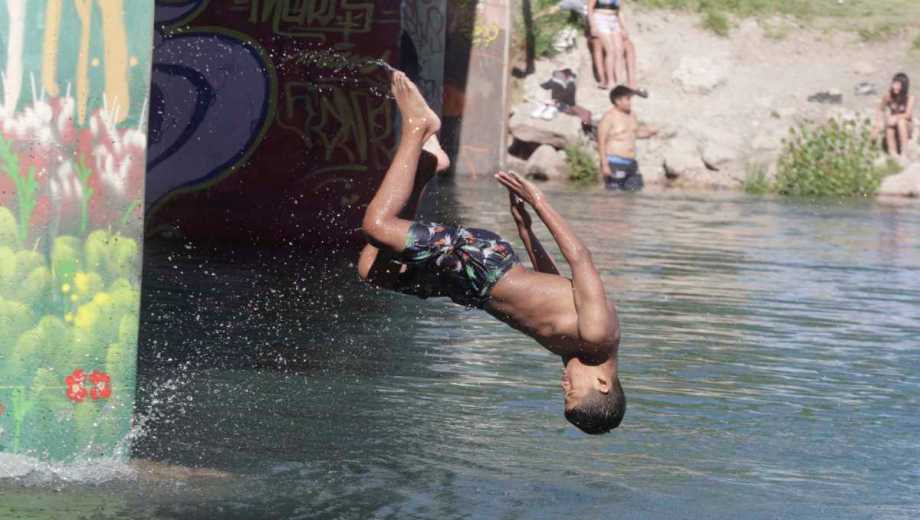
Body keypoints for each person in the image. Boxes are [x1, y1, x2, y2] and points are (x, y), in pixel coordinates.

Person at [358, 71, 625, 434]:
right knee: (377, 226)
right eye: (571, 394)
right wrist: (539, 202)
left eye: (565, 396)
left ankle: (427, 164)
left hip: (470, 289)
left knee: (374, 270)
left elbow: (553, 285)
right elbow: (580, 260)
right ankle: (418, 125)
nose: (563, 388)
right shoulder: (598, 334)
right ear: (603, 384)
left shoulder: (578, 352)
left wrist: (525, 229)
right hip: (485, 263)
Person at [597, 85, 657, 191]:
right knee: (615, 201)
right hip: (614, 163)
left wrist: (649, 134)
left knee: (635, 195)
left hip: (631, 163)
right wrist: (604, 165)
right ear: (617, 101)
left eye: (630, 99)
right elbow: (601, 141)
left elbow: (634, 134)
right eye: (627, 99)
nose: (630, 102)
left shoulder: (632, 115)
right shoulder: (609, 117)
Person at [873, 72, 914, 157]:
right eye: (894, 83)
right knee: (889, 124)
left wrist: (896, 117)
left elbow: (908, 115)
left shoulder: (910, 98)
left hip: (906, 126)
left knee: (901, 121)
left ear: (904, 86)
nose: (894, 86)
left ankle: (905, 151)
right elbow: (880, 109)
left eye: (898, 85)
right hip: (893, 124)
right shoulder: (888, 96)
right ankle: (893, 153)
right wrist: (879, 123)